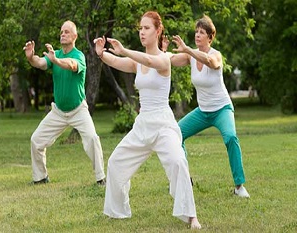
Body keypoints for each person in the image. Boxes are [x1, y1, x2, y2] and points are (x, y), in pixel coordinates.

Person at [94, 11, 201, 229]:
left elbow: (149, 59)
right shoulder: (137, 63)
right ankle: (118, 211)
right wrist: (102, 54)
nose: (142, 32)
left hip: (163, 125)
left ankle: (191, 216)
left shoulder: (163, 60)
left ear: (158, 30)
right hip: (143, 124)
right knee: (115, 163)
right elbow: (117, 61)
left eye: (147, 28)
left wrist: (125, 50)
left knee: (178, 162)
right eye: (140, 28)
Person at [162, 15, 250, 198]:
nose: (197, 35)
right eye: (196, 32)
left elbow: (212, 63)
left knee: (231, 137)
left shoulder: (215, 54)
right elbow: (169, 60)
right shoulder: (190, 56)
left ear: (210, 37)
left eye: (201, 32)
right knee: (176, 134)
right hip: (203, 111)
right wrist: (162, 51)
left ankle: (239, 186)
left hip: (221, 109)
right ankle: (185, 179)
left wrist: (188, 50)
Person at [23, 20, 106, 186]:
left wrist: (56, 61)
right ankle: (40, 177)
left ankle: (100, 178)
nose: (63, 34)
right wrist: (31, 57)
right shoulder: (56, 54)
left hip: (78, 110)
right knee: (36, 140)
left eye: (67, 32)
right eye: (61, 32)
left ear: (75, 36)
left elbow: (72, 65)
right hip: (58, 112)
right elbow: (39, 63)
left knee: (92, 139)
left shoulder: (78, 55)